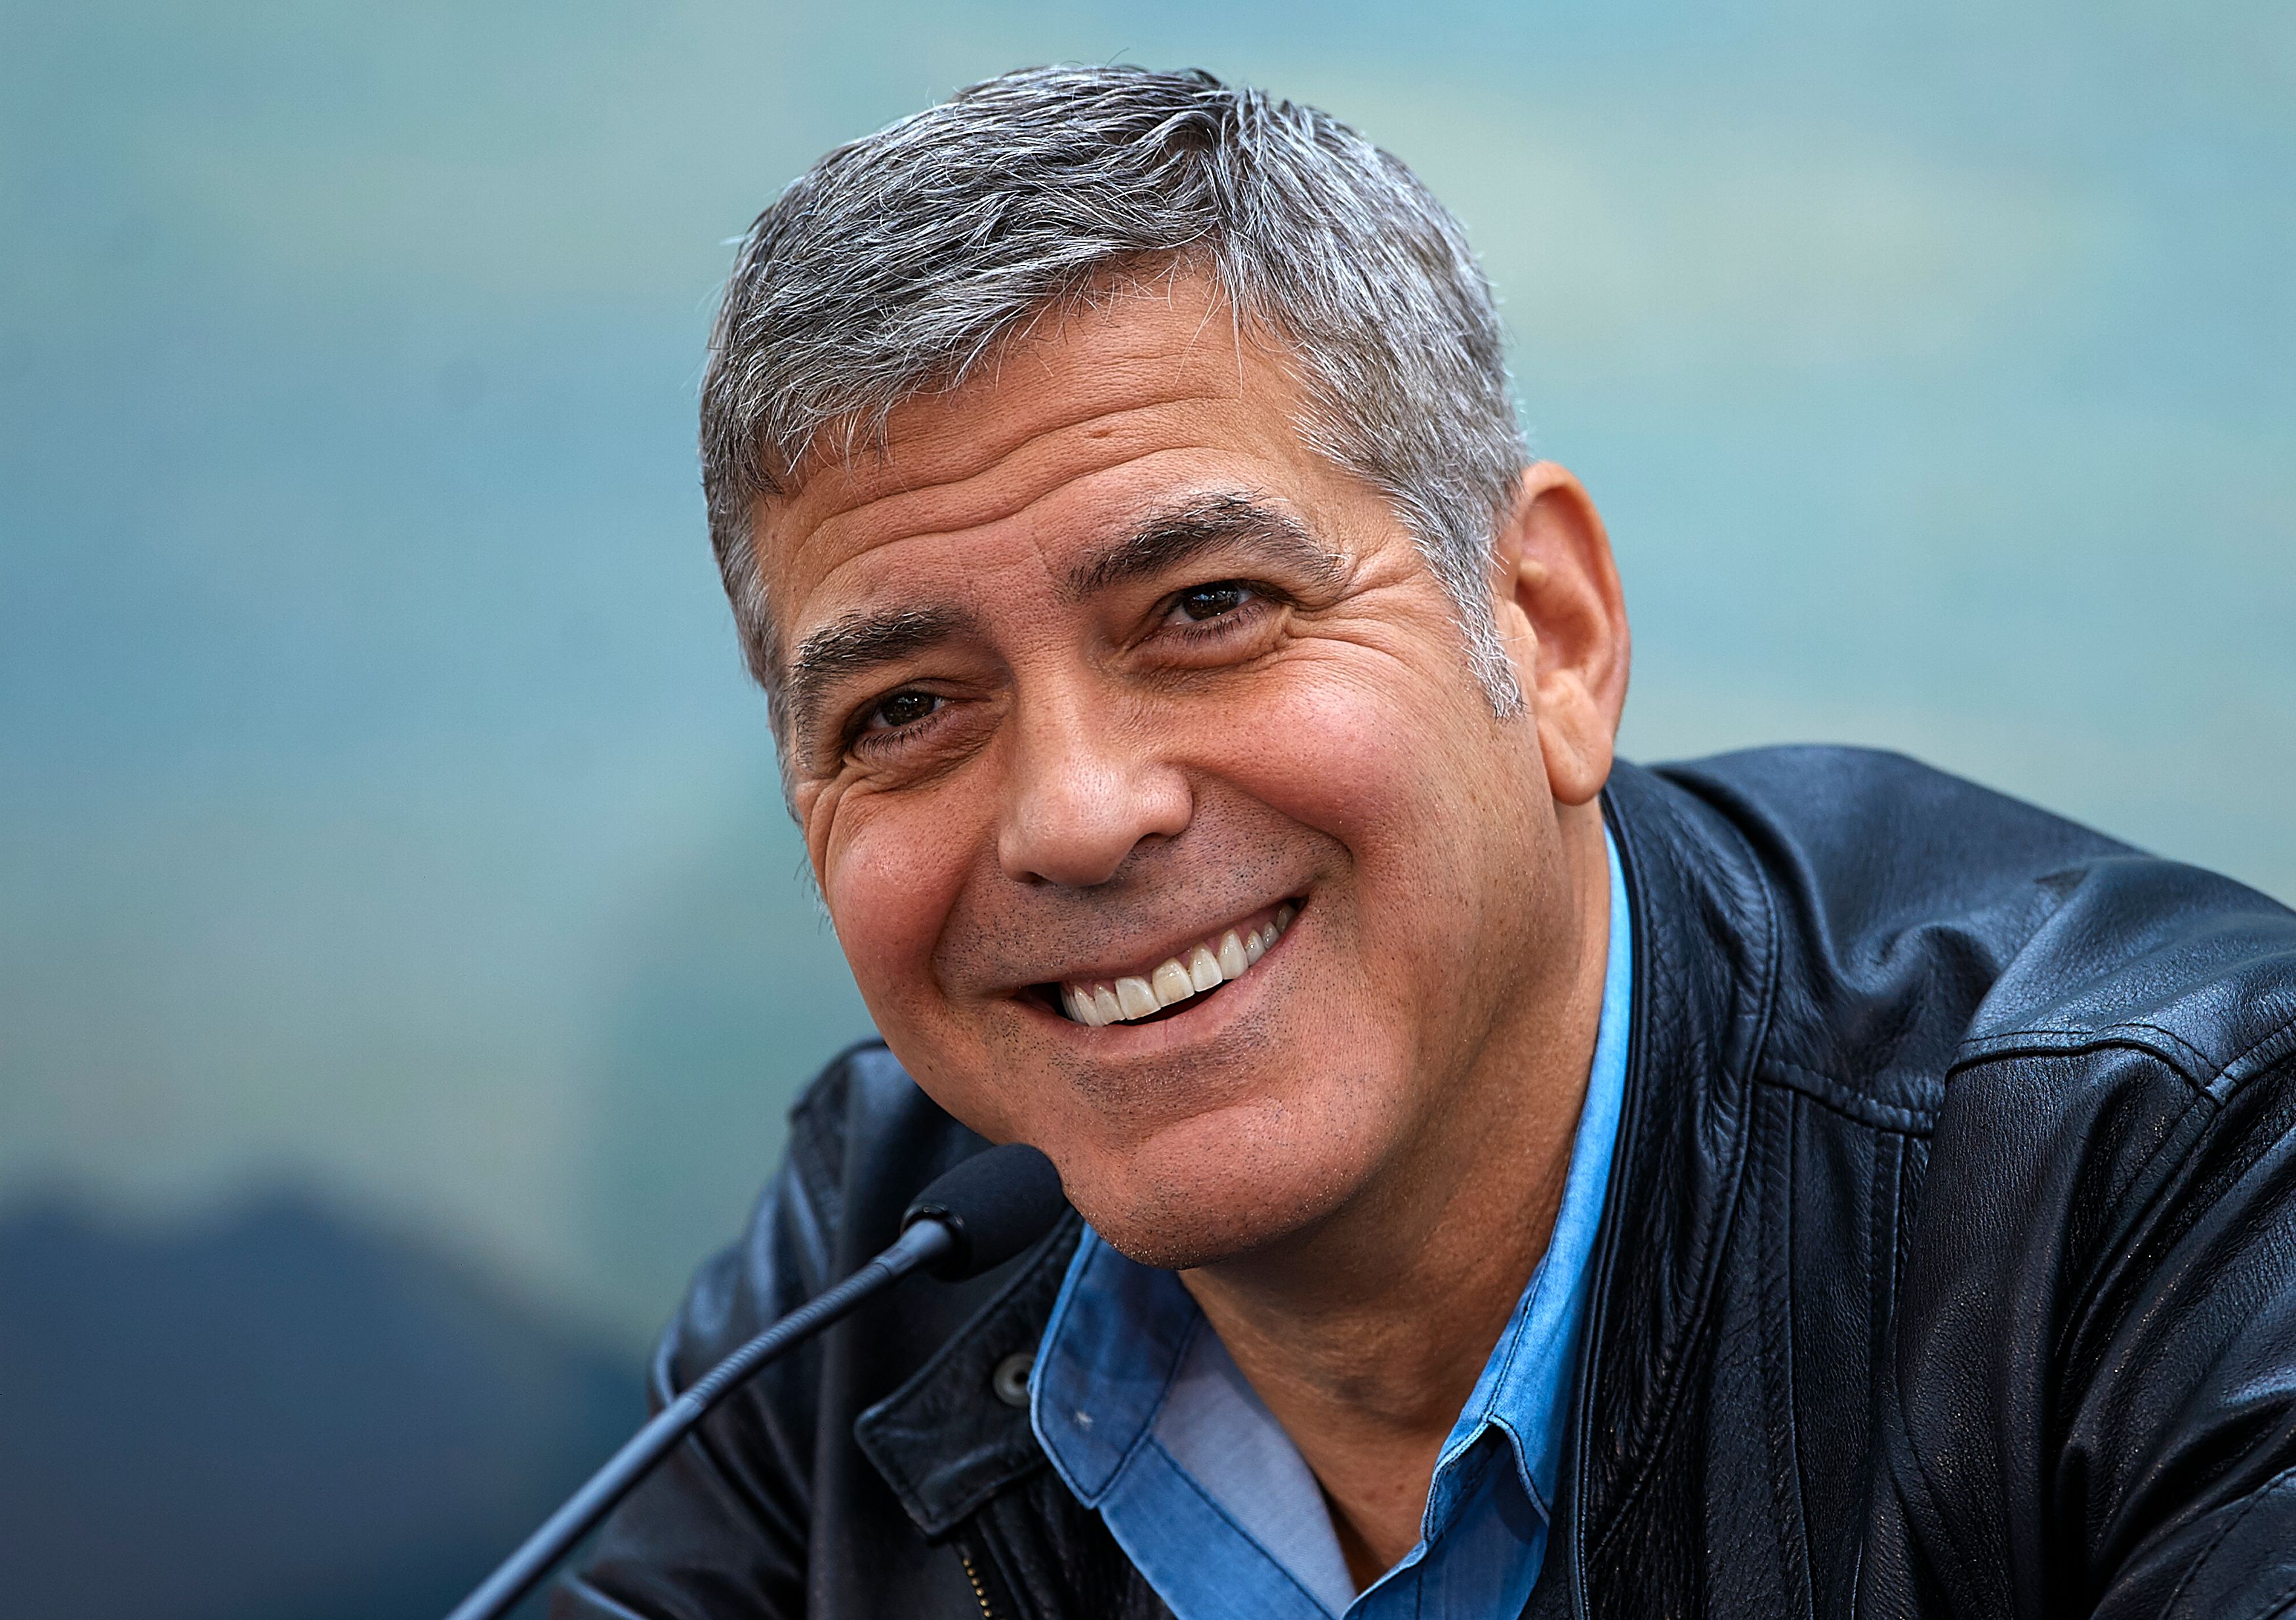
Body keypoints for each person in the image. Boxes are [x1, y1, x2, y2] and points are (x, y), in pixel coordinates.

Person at [557, 64, 2296, 1619]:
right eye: (904, 713)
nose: (1078, 815)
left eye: (1208, 606)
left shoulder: (2180, 1165)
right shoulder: (874, 1259)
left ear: (1542, 632)